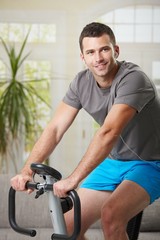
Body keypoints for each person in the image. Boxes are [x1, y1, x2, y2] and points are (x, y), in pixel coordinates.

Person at [11, 22, 160, 240]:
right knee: (69, 225)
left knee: (111, 216)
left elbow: (109, 132)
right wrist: (26, 170)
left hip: (151, 163)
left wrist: (73, 179)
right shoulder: (81, 83)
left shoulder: (134, 79)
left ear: (116, 50)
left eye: (104, 49)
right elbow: (54, 129)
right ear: (83, 57)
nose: (98, 58)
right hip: (114, 162)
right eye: (90, 52)